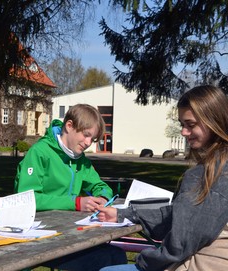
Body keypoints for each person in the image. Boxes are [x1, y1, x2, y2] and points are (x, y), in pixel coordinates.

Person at [98, 85, 228, 271]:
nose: (183, 132)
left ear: (214, 121)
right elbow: (180, 215)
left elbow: (180, 243)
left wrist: (144, 261)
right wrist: (124, 214)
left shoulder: (208, 175)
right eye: (182, 125)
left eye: (190, 125)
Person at [15, 103, 127, 270]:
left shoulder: (80, 160)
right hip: (39, 237)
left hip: (70, 233)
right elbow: (26, 199)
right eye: (86, 135)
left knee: (117, 255)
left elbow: (100, 185)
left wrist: (102, 198)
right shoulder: (39, 153)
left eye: (93, 139)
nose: (89, 143)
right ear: (69, 126)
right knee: (103, 259)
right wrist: (75, 203)